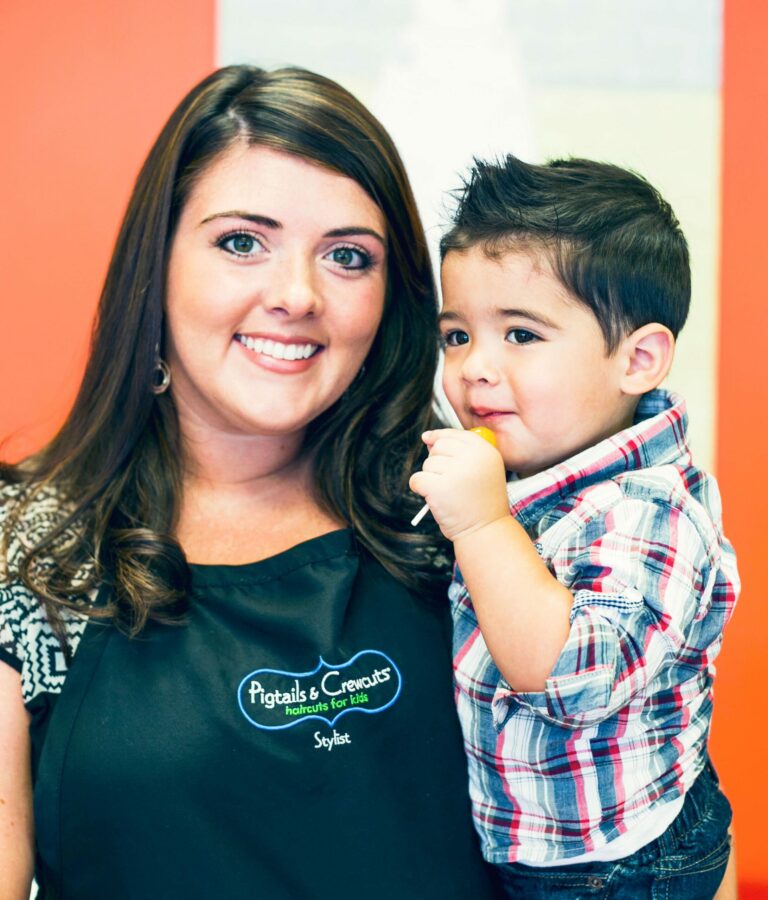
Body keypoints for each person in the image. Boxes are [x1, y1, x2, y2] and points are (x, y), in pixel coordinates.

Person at [0, 66, 502, 900]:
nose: (297, 296)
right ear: (154, 266)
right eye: (242, 243)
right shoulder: (25, 549)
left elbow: (662, 815)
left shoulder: (472, 514)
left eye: (347, 257)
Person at [410, 155, 738, 897]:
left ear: (638, 360)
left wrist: (485, 524)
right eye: (457, 335)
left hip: (622, 866)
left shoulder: (649, 509)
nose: (474, 369)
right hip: (543, 845)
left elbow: (568, 678)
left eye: (521, 335)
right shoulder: (529, 464)